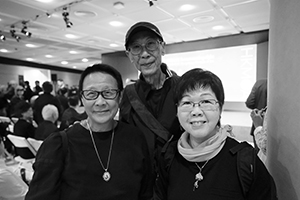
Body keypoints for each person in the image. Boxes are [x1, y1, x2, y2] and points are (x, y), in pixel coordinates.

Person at [25, 64, 153, 200]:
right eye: (91, 94)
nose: (100, 102)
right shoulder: (59, 145)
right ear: (82, 99)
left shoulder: (135, 138)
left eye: (108, 93)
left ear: (120, 97)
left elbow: (146, 193)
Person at [154, 68, 277, 200]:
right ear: (177, 111)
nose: (196, 111)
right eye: (187, 103)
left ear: (220, 108)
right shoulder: (169, 155)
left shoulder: (245, 161)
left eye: (206, 102)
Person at [119, 21, 182, 173]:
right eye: (136, 48)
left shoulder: (183, 87)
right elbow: (124, 137)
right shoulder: (129, 94)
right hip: (142, 177)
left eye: (150, 44)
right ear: (129, 55)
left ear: (162, 48)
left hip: (178, 173)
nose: (145, 53)